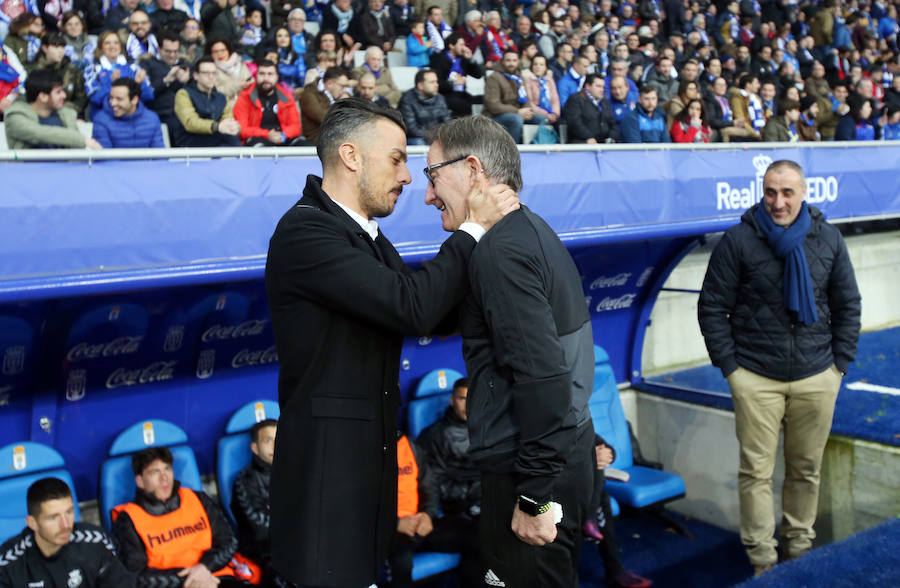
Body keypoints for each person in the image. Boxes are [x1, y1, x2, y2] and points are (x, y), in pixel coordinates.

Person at [264, 97, 518, 587]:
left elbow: (432, 313)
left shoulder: (367, 237)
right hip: (327, 481)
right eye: (398, 159)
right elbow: (412, 305)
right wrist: (471, 229)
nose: (407, 177)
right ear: (351, 156)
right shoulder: (305, 231)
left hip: (363, 476)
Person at [423, 114, 595, 587]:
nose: (427, 194)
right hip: (554, 456)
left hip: (532, 468)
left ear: (473, 169)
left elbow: (544, 378)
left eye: (432, 175)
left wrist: (535, 496)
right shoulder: (525, 232)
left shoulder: (502, 252)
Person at [698, 160, 861, 576]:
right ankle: (762, 559)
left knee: (806, 470)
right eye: (770, 192)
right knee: (755, 472)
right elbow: (713, 307)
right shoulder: (737, 241)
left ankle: (799, 546)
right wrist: (732, 369)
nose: (778, 201)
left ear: (805, 192)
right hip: (755, 377)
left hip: (817, 375)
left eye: (787, 192)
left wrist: (838, 366)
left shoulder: (828, 238)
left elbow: (848, 305)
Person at [112, 447, 249, 587]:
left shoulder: (197, 498)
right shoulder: (129, 520)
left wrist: (204, 567)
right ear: (140, 481)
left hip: (214, 576)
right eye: (155, 472)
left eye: (167, 469)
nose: (164, 478)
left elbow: (228, 541)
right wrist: (189, 579)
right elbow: (136, 575)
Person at [386, 433, 482, 587]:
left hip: (419, 523)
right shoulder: (365, 449)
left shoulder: (408, 444)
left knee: (477, 535)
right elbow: (360, 503)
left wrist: (428, 515)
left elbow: (429, 486)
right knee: (401, 563)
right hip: (389, 531)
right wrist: (396, 523)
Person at [0, 477, 134, 587]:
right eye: (53, 517)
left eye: (69, 512)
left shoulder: (95, 542)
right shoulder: (8, 564)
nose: (65, 525)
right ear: (32, 523)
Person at [584, 440, 653, 588]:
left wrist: (607, 454)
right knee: (594, 498)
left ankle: (614, 571)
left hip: (583, 485)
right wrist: (589, 456)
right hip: (553, 487)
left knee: (602, 497)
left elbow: (599, 441)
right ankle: (589, 518)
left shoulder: (578, 418)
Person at [4, 68, 103, 150]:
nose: (64, 95)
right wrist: (83, 140)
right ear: (43, 96)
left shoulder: (67, 115)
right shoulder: (15, 116)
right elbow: (39, 133)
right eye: (58, 92)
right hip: (26, 172)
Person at [231, 419, 277, 579]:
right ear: (255, 448)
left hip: (300, 543)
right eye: (268, 440)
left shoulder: (297, 471)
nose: (275, 445)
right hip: (265, 553)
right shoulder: (246, 480)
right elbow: (260, 529)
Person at [172, 55, 241, 146]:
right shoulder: (183, 94)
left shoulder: (222, 97)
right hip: (191, 140)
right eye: (206, 73)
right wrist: (216, 126)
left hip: (215, 138)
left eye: (214, 73)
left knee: (232, 139)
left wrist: (233, 126)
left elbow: (227, 118)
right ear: (196, 75)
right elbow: (190, 123)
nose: (211, 77)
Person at [84, 30, 154, 119]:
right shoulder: (92, 69)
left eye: (116, 43)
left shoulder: (133, 67)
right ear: (101, 47)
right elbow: (95, 99)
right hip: (105, 117)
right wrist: (111, 83)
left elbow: (148, 96)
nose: (112, 46)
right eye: (107, 43)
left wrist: (139, 83)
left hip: (133, 116)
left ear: (120, 46)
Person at [482, 49, 540, 143]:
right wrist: (517, 111)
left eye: (514, 60)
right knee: (516, 119)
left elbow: (526, 99)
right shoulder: (494, 77)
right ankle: (513, 151)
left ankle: (535, 151)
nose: (511, 64)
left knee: (539, 119)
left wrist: (527, 111)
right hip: (494, 116)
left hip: (516, 113)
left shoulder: (518, 77)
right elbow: (494, 106)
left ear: (518, 62)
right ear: (502, 62)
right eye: (508, 60)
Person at [144, 29, 190, 143]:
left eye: (175, 51)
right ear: (159, 50)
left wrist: (188, 81)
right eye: (168, 51)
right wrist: (166, 81)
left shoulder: (186, 65)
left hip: (186, 115)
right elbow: (145, 92)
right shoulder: (148, 64)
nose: (172, 55)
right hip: (159, 115)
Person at [91, 77, 165, 147]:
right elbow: (104, 157)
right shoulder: (101, 120)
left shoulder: (152, 119)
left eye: (119, 99)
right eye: (111, 98)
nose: (113, 103)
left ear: (134, 100)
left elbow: (160, 155)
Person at [428, 32, 483, 117]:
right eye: (461, 45)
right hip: (445, 94)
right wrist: (453, 83)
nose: (464, 48)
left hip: (461, 94)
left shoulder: (463, 59)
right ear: (451, 46)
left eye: (464, 45)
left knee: (483, 101)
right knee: (464, 106)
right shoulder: (439, 60)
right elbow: (437, 82)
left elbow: (478, 75)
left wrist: (471, 60)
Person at [33, 32, 87, 117]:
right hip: (39, 114)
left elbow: (81, 98)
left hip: (67, 113)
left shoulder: (73, 70)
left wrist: (67, 109)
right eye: (56, 47)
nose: (60, 51)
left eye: (62, 47)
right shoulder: (34, 70)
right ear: (44, 48)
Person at [397, 67, 450, 144]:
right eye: (432, 82)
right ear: (420, 86)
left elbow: (447, 122)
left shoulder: (440, 98)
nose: (437, 85)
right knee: (418, 143)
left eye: (436, 82)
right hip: (416, 138)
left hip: (436, 136)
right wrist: (432, 136)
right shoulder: (407, 100)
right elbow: (411, 129)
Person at [563, 73, 620, 143]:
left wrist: (612, 136)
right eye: (598, 86)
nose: (602, 90)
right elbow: (574, 122)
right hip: (581, 143)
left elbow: (612, 122)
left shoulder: (605, 102)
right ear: (587, 86)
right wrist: (588, 137)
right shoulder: (575, 99)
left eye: (603, 87)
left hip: (604, 143)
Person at [298, 65, 348, 142]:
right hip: (316, 142)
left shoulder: (335, 96)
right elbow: (323, 118)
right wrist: (341, 105)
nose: (344, 90)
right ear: (329, 83)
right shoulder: (309, 95)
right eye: (342, 86)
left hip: (333, 140)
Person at [524, 54, 560, 125]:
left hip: (551, 113)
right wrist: (546, 114)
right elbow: (529, 103)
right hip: (534, 113)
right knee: (542, 119)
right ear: (531, 66)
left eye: (541, 64)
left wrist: (555, 113)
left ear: (546, 67)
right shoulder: (527, 80)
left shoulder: (549, 80)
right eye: (535, 64)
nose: (538, 67)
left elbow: (555, 100)